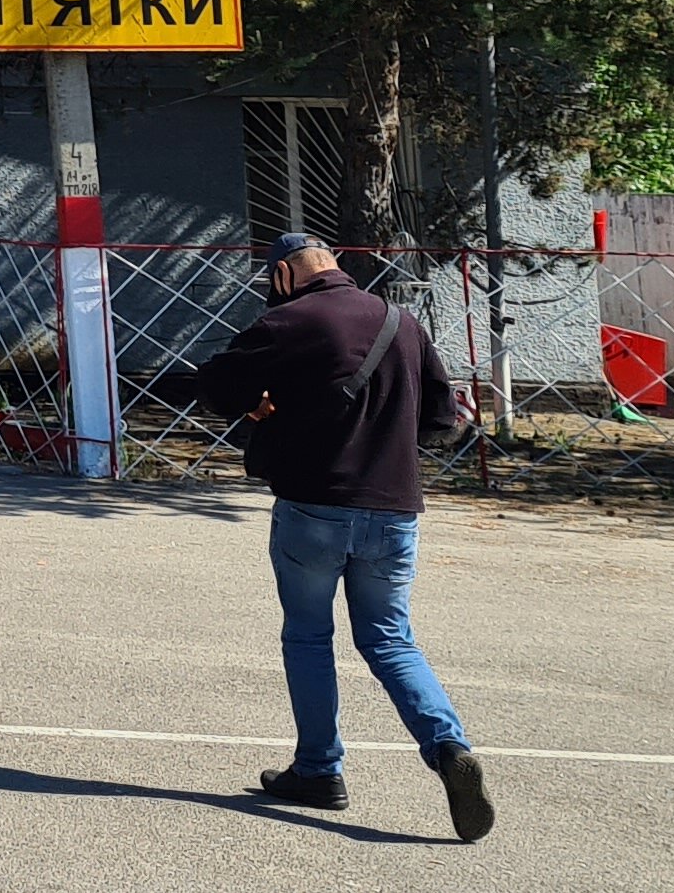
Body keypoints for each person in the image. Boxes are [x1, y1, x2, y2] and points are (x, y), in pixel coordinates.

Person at [176, 230, 495, 840]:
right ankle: (449, 746)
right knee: (390, 640)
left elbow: (214, 383)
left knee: (308, 637)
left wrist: (261, 407)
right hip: (395, 510)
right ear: (334, 265)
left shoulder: (288, 320)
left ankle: (320, 770)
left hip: (313, 507)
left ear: (284, 275)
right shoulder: (400, 322)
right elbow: (440, 420)